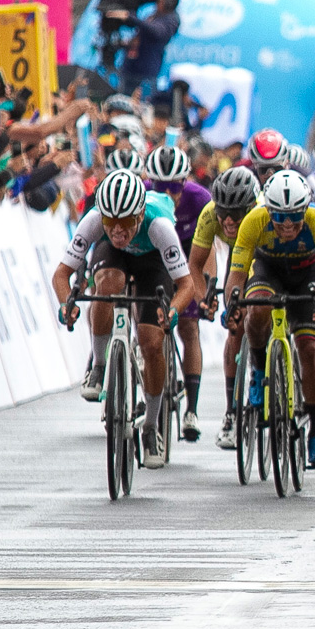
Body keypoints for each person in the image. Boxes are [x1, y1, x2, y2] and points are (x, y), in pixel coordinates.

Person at [53, 169, 199, 468]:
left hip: (152, 261)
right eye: (111, 223)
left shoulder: (159, 225)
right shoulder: (95, 220)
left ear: (140, 214)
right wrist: (66, 303)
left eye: (125, 224)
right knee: (107, 284)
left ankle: (151, 427)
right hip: (114, 259)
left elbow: (187, 285)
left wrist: (171, 311)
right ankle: (99, 364)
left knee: (151, 342)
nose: (118, 231)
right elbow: (61, 275)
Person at [224, 171, 315, 468]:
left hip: (306, 275)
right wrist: (232, 305)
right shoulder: (254, 220)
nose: (288, 224)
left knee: (309, 348)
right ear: (268, 211)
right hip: (267, 270)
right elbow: (238, 274)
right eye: (280, 217)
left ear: (305, 209)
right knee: (256, 308)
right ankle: (258, 370)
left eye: (295, 216)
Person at [144, 144, 213, 441]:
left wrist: (206, 291)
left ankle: (191, 410)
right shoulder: (142, 194)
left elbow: (207, 251)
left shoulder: (201, 199)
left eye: (175, 187)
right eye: (161, 187)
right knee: (148, 330)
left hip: (190, 253)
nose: (169, 194)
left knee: (189, 329)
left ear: (185, 182)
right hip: (154, 253)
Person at [188, 165, 259, 448]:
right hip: (236, 258)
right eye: (223, 213)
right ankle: (231, 412)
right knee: (235, 326)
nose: (228, 220)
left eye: (236, 213)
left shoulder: (261, 215)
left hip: (261, 253)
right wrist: (205, 295)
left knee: (259, 307)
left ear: (251, 207)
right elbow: (194, 264)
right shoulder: (210, 215)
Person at [105, 0, 180, 98]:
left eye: (159, 0)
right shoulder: (153, 16)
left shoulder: (171, 20)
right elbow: (141, 37)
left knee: (143, 105)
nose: (156, 3)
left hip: (145, 74)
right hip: (130, 69)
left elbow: (156, 32)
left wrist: (129, 17)